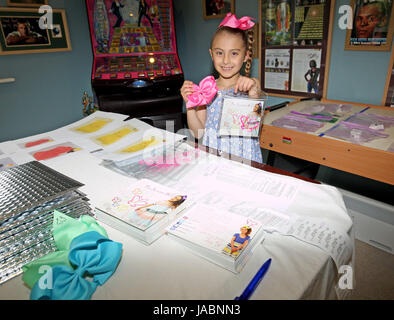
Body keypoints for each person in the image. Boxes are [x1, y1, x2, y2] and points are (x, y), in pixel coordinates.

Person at [180, 14, 263, 163]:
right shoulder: (206, 90)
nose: (225, 60)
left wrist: (252, 89)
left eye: (234, 53)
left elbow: (255, 120)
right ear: (211, 54)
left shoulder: (250, 86)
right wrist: (190, 105)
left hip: (244, 157)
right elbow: (198, 133)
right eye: (219, 53)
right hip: (214, 158)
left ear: (245, 56)